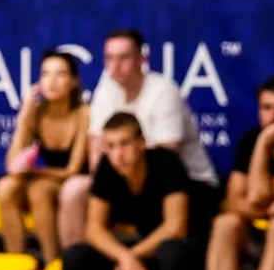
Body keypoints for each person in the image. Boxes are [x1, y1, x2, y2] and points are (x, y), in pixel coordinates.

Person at [58, 29, 218, 249]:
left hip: (186, 182)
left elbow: (166, 158)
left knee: (154, 206)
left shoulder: (164, 91)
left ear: (142, 59)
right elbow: (96, 147)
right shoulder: (105, 91)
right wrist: (103, 184)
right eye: (109, 58)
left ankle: (144, 266)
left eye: (123, 57)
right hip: (126, 179)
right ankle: (76, 261)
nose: (115, 65)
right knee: (74, 189)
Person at [61, 113, 205, 270]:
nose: (118, 154)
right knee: (74, 258)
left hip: (190, 253)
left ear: (141, 143)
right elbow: (93, 229)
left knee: (170, 251)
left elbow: (176, 227)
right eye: (110, 147)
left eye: (124, 144)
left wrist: (131, 256)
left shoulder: (166, 162)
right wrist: (124, 257)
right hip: (146, 253)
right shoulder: (107, 168)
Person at [0, 50, 89, 270]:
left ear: (73, 82)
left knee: (39, 189)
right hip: (45, 181)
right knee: (5, 187)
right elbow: (12, 165)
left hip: (74, 185)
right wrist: (25, 113)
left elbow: (73, 169)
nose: (51, 81)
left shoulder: (83, 113)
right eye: (45, 74)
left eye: (60, 74)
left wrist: (32, 173)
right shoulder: (36, 112)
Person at [197, 76, 274, 270]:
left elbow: (254, 196)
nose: (273, 116)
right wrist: (263, 143)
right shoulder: (250, 140)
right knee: (226, 222)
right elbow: (234, 202)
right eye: (266, 108)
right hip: (255, 236)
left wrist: (265, 141)